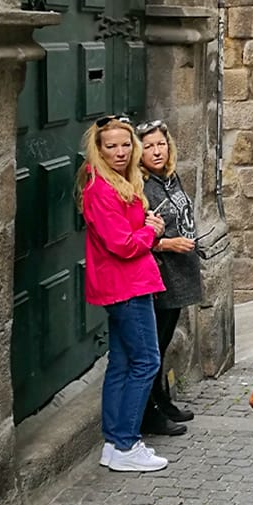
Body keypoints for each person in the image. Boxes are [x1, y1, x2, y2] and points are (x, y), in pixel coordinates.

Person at [81, 115, 169, 472]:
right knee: (146, 361)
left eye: (125, 144)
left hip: (126, 282)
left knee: (121, 363)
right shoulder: (101, 189)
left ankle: (115, 444)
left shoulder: (117, 182)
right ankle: (127, 442)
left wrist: (146, 228)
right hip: (126, 284)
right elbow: (122, 244)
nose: (120, 151)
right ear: (98, 149)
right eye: (111, 146)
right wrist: (152, 232)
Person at [137, 119, 203, 439]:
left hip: (180, 272)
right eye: (148, 146)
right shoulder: (141, 186)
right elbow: (135, 235)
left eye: (160, 144)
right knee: (154, 348)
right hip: (160, 274)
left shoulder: (170, 178)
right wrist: (168, 244)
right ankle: (151, 413)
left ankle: (163, 402)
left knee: (161, 346)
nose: (156, 151)